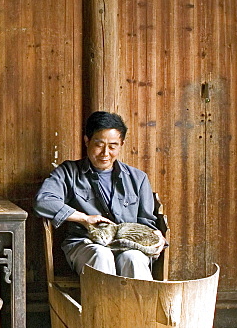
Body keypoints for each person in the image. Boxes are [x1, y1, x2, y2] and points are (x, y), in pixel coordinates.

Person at [35, 111, 161, 279]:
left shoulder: (138, 178)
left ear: (121, 144)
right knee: (102, 255)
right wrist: (84, 218)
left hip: (129, 246)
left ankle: (140, 306)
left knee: (134, 258)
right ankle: (102, 306)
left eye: (113, 146)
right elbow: (43, 201)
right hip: (85, 245)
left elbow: (147, 223)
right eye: (99, 144)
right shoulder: (68, 172)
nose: (105, 153)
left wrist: (156, 235)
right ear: (87, 141)